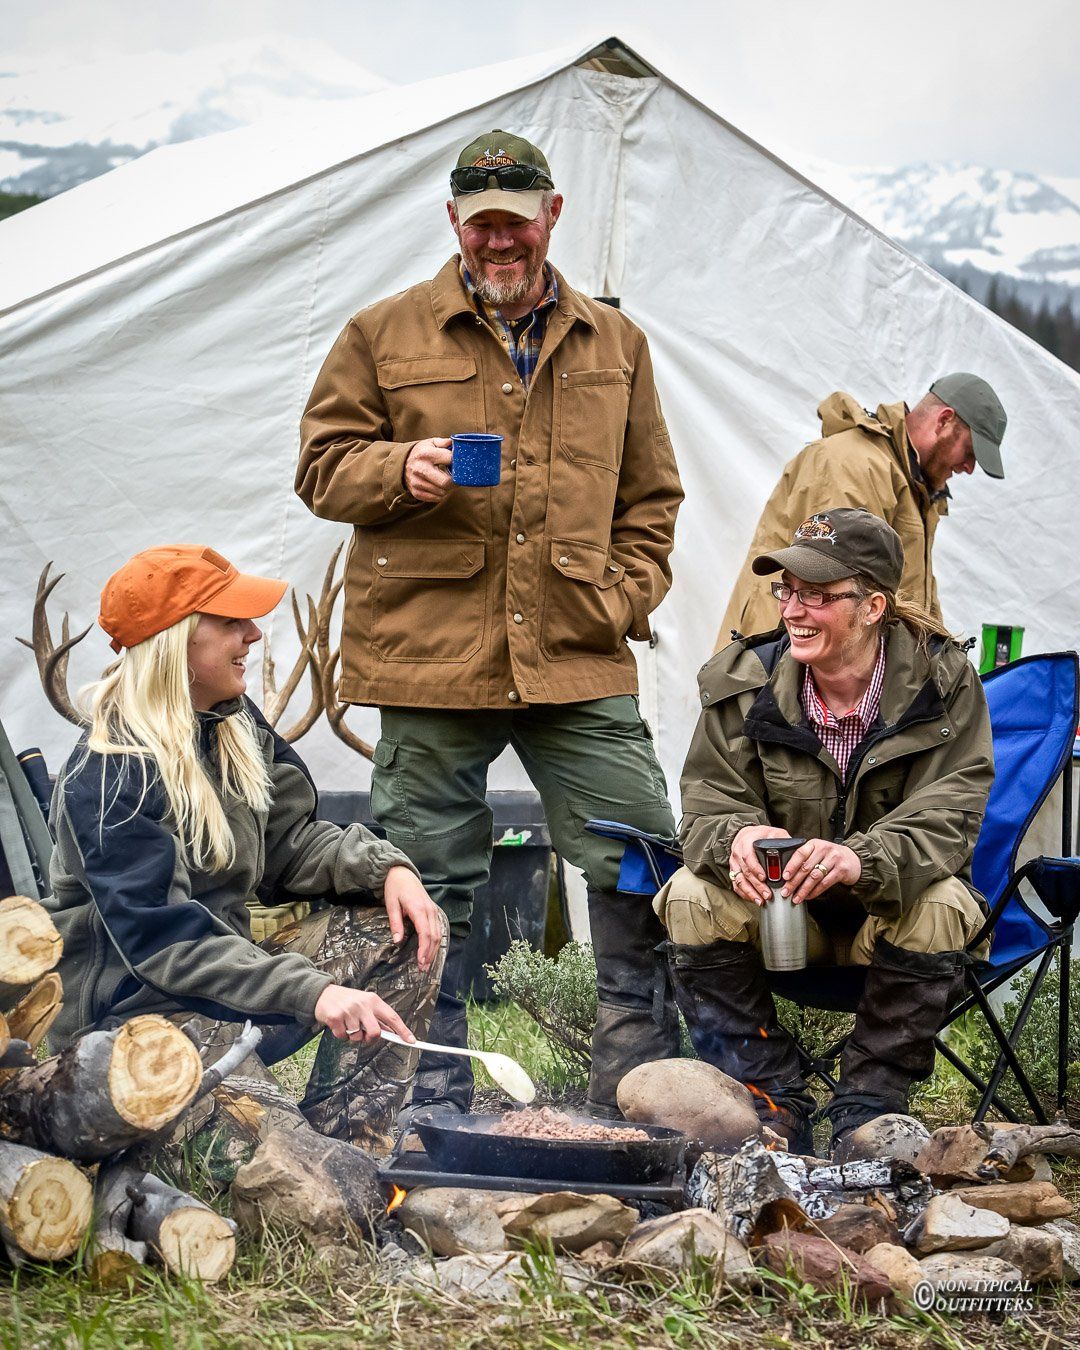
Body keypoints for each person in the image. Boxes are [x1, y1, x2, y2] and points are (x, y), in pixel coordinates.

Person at [296, 129, 684, 1118]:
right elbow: (321, 469)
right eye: (481, 228)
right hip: (431, 659)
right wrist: (399, 472)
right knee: (426, 873)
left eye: (516, 224)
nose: (498, 245)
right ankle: (432, 1090)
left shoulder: (616, 345)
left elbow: (653, 499)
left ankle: (638, 1085)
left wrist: (623, 596)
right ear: (454, 223)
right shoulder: (381, 335)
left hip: (576, 650)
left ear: (552, 217)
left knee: (639, 849)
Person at [48, 545, 447, 1155]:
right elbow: (167, 943)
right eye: (231, 622)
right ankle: (300, 1156)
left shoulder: (230, 721)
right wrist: (312, 991)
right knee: (272, 1151)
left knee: (400, 928)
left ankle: (356, 1142)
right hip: (138, 1020)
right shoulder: (107, 771)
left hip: (224, 988)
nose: (254, 635)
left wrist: (385, 868)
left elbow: (289, 842)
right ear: (175, 642)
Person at [655, 508, 994, 1155]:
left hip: (887, 918)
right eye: (789, 590)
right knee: (689, 894)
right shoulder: (743, 680)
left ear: (873, 606)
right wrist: (735, 838)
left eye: (817, 595)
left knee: (947, 903)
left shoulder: (943, 684)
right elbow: (704, 806)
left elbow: (951, 815)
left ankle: (867, 1111)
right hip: (784, 919)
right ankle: (770, 1099)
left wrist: (859, 858)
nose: (794, 610)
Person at [716, 374, 1008, 649]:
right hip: (781, 675)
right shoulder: (853, 466)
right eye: (970, 452)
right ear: (944, 421)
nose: (969, 468)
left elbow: (913, 599)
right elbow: (828, 600)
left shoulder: (911, 485)